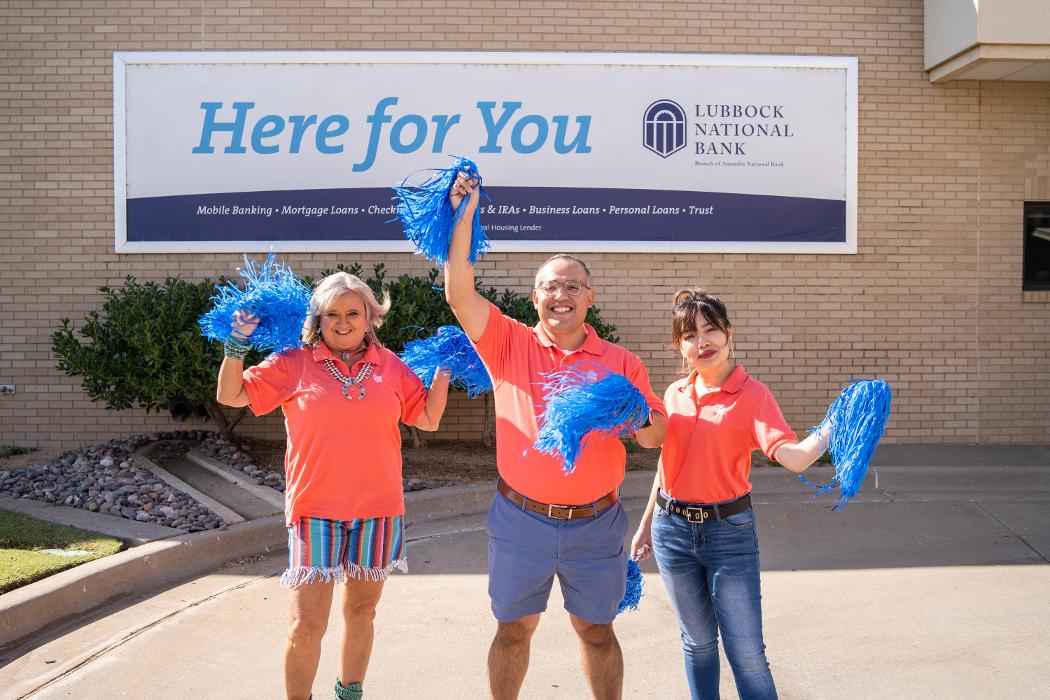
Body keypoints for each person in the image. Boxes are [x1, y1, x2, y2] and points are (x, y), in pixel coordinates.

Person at [443, 174, 668, 700]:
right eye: (549, 286)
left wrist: (632, 412)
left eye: (571, 285)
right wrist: (464, 214)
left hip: (596, 523)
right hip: (521, 520)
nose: (560, 294)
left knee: (596, 632)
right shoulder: (507, 344)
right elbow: (458, 291)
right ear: (535, 297)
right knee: (513, 630)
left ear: (588, 297)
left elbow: (655, 438)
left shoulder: (620, 363)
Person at [216, 271, 451, 700]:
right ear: (318, 320)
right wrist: (235, 344)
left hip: (378, 510)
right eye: (332, 315)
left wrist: (445, 368)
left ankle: (349, 694)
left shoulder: (391, 366)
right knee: (306, 624)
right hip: (315, 510)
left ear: (369, 317)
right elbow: (231, 396)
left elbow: (428, 419)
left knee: (362, 611)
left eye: (352, 313)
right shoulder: (292, 363)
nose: (343, 323)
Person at [630, 289, 832, 700]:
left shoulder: (753, 396)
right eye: (690, 335)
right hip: (671, 532)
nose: (701, 342)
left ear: (728, 334)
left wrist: (832, 429)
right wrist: (646, 524)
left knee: (747, 654)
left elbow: (792, 458)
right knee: (697, 644)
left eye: (710, 330)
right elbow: (667, 465)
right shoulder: (673, 394)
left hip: (729, 534)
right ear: (678, 346)